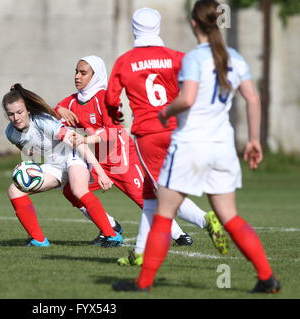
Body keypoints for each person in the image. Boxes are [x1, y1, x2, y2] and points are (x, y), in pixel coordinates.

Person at [113, 0, 281, 293]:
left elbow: (187, 99)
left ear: (194, 24)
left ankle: (143, 283)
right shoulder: (235, 58)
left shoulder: (193, 58)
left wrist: (165, 113)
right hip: (222, 147)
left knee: (163, 213)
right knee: (230, 216)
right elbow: (253, 99)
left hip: (190, 145)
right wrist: (254, 139)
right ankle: (267, 278)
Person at [104, 7, 228, 266]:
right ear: (158, 28)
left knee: (163, 193)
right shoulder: (176, 57)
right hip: (177, 130)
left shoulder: (125, 61)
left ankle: (207, 219)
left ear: (134, 29)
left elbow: (110, 99)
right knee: (150, 194)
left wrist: (116, 116)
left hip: (148, 134)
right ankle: (139, 253)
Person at [55, 55, 207, 248]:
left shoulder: (105, 97)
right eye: (76, 72)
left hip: (122, 158)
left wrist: (85, 139)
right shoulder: (71, 102)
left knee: (145, 199)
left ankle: (179, 235)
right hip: (99, 160)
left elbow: (112, 131)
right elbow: (51, 118)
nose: (77, 76)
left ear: (96, 76)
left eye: (83, 73)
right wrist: (56, 111)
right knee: (71, 191)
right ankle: (110, 226)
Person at [4, 83, 123, 247]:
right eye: (11, 114)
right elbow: (23, 146)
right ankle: (38, 240)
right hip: (53, 165)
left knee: (77, 190)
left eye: (19, 112)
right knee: (14, 190)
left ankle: (112, 235)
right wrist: (29, 160)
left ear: (28, 110)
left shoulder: (43, 122)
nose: (16, 118)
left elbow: (77, 142)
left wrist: (100, 171)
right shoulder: (10, 133)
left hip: (73, 156)